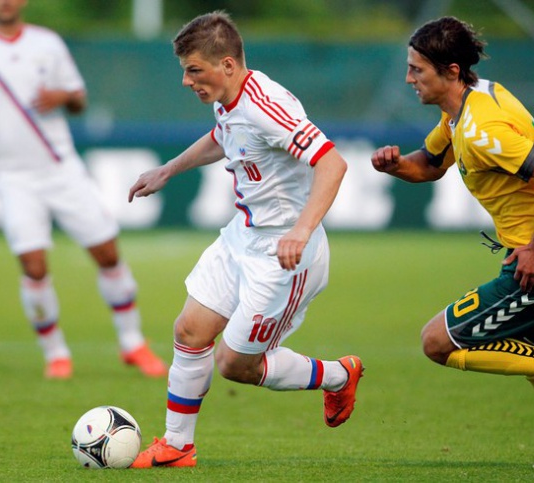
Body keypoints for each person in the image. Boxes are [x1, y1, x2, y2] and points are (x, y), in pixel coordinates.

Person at [371, 16, 534, 469]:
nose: (408, 78)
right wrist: (395, 164)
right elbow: (430, 163)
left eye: (417, 69)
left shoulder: (485, 129)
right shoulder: (466, 105)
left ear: (452, 71)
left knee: (437, 343)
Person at [127, 11, 363, 468]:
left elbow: (332, 163)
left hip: (285, 254)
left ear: (228, 65)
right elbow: (224, 136)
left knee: (236, 365)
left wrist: (301, 229)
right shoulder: (228, 99)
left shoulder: (266, 105)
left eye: (193, 69)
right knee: (189, 331)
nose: (185, 80)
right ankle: (178, 446)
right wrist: (167, 170)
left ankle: (338, 375)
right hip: (243, 236)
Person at [0, 0, 166, 379]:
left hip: (61, 168)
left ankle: (132, 342)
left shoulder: (47, 43)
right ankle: (56, 354)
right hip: (13, 175)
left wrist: (63, 97)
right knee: (33, 266)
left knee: (107, 252)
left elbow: (79, 99)